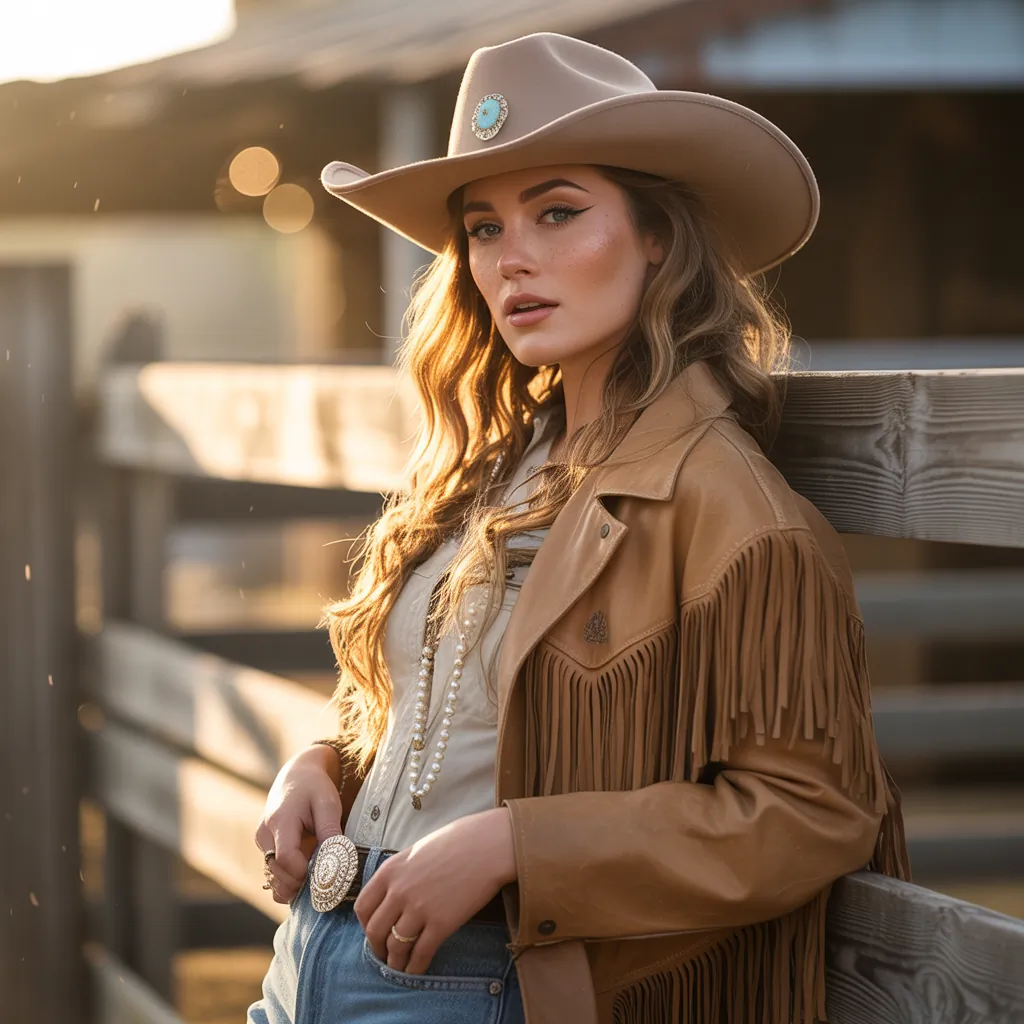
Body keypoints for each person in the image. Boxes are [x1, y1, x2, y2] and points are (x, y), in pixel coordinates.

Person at [248, 31, 909, 1024]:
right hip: (307, 952)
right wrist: (326, 766)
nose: (511, 258)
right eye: (481, 228)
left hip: (479, 976)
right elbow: (463, 726)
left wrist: (516, 845)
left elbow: (812, 812)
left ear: (657, 235)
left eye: (557, 212)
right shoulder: (489, 462)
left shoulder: (732, 507)